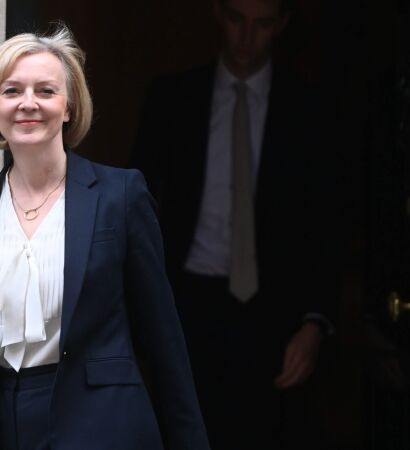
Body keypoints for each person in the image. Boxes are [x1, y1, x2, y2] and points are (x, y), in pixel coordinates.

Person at [0, 26, 210, 450]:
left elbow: (162, 339)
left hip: (103, 426)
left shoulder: (121, 196)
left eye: (46, 90)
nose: (28, 103)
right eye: (12, 90)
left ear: (69, 106)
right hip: (4, 427)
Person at [131, 1, 334, 449]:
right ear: (219, 15)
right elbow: (135, 210)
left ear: (281, 24)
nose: (246, 38)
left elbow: (324, 223)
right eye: (238, 20)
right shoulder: (173, 98)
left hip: (275, 313)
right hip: (187, 305)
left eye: (262, 24)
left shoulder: (309, 111)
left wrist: (314, 322)